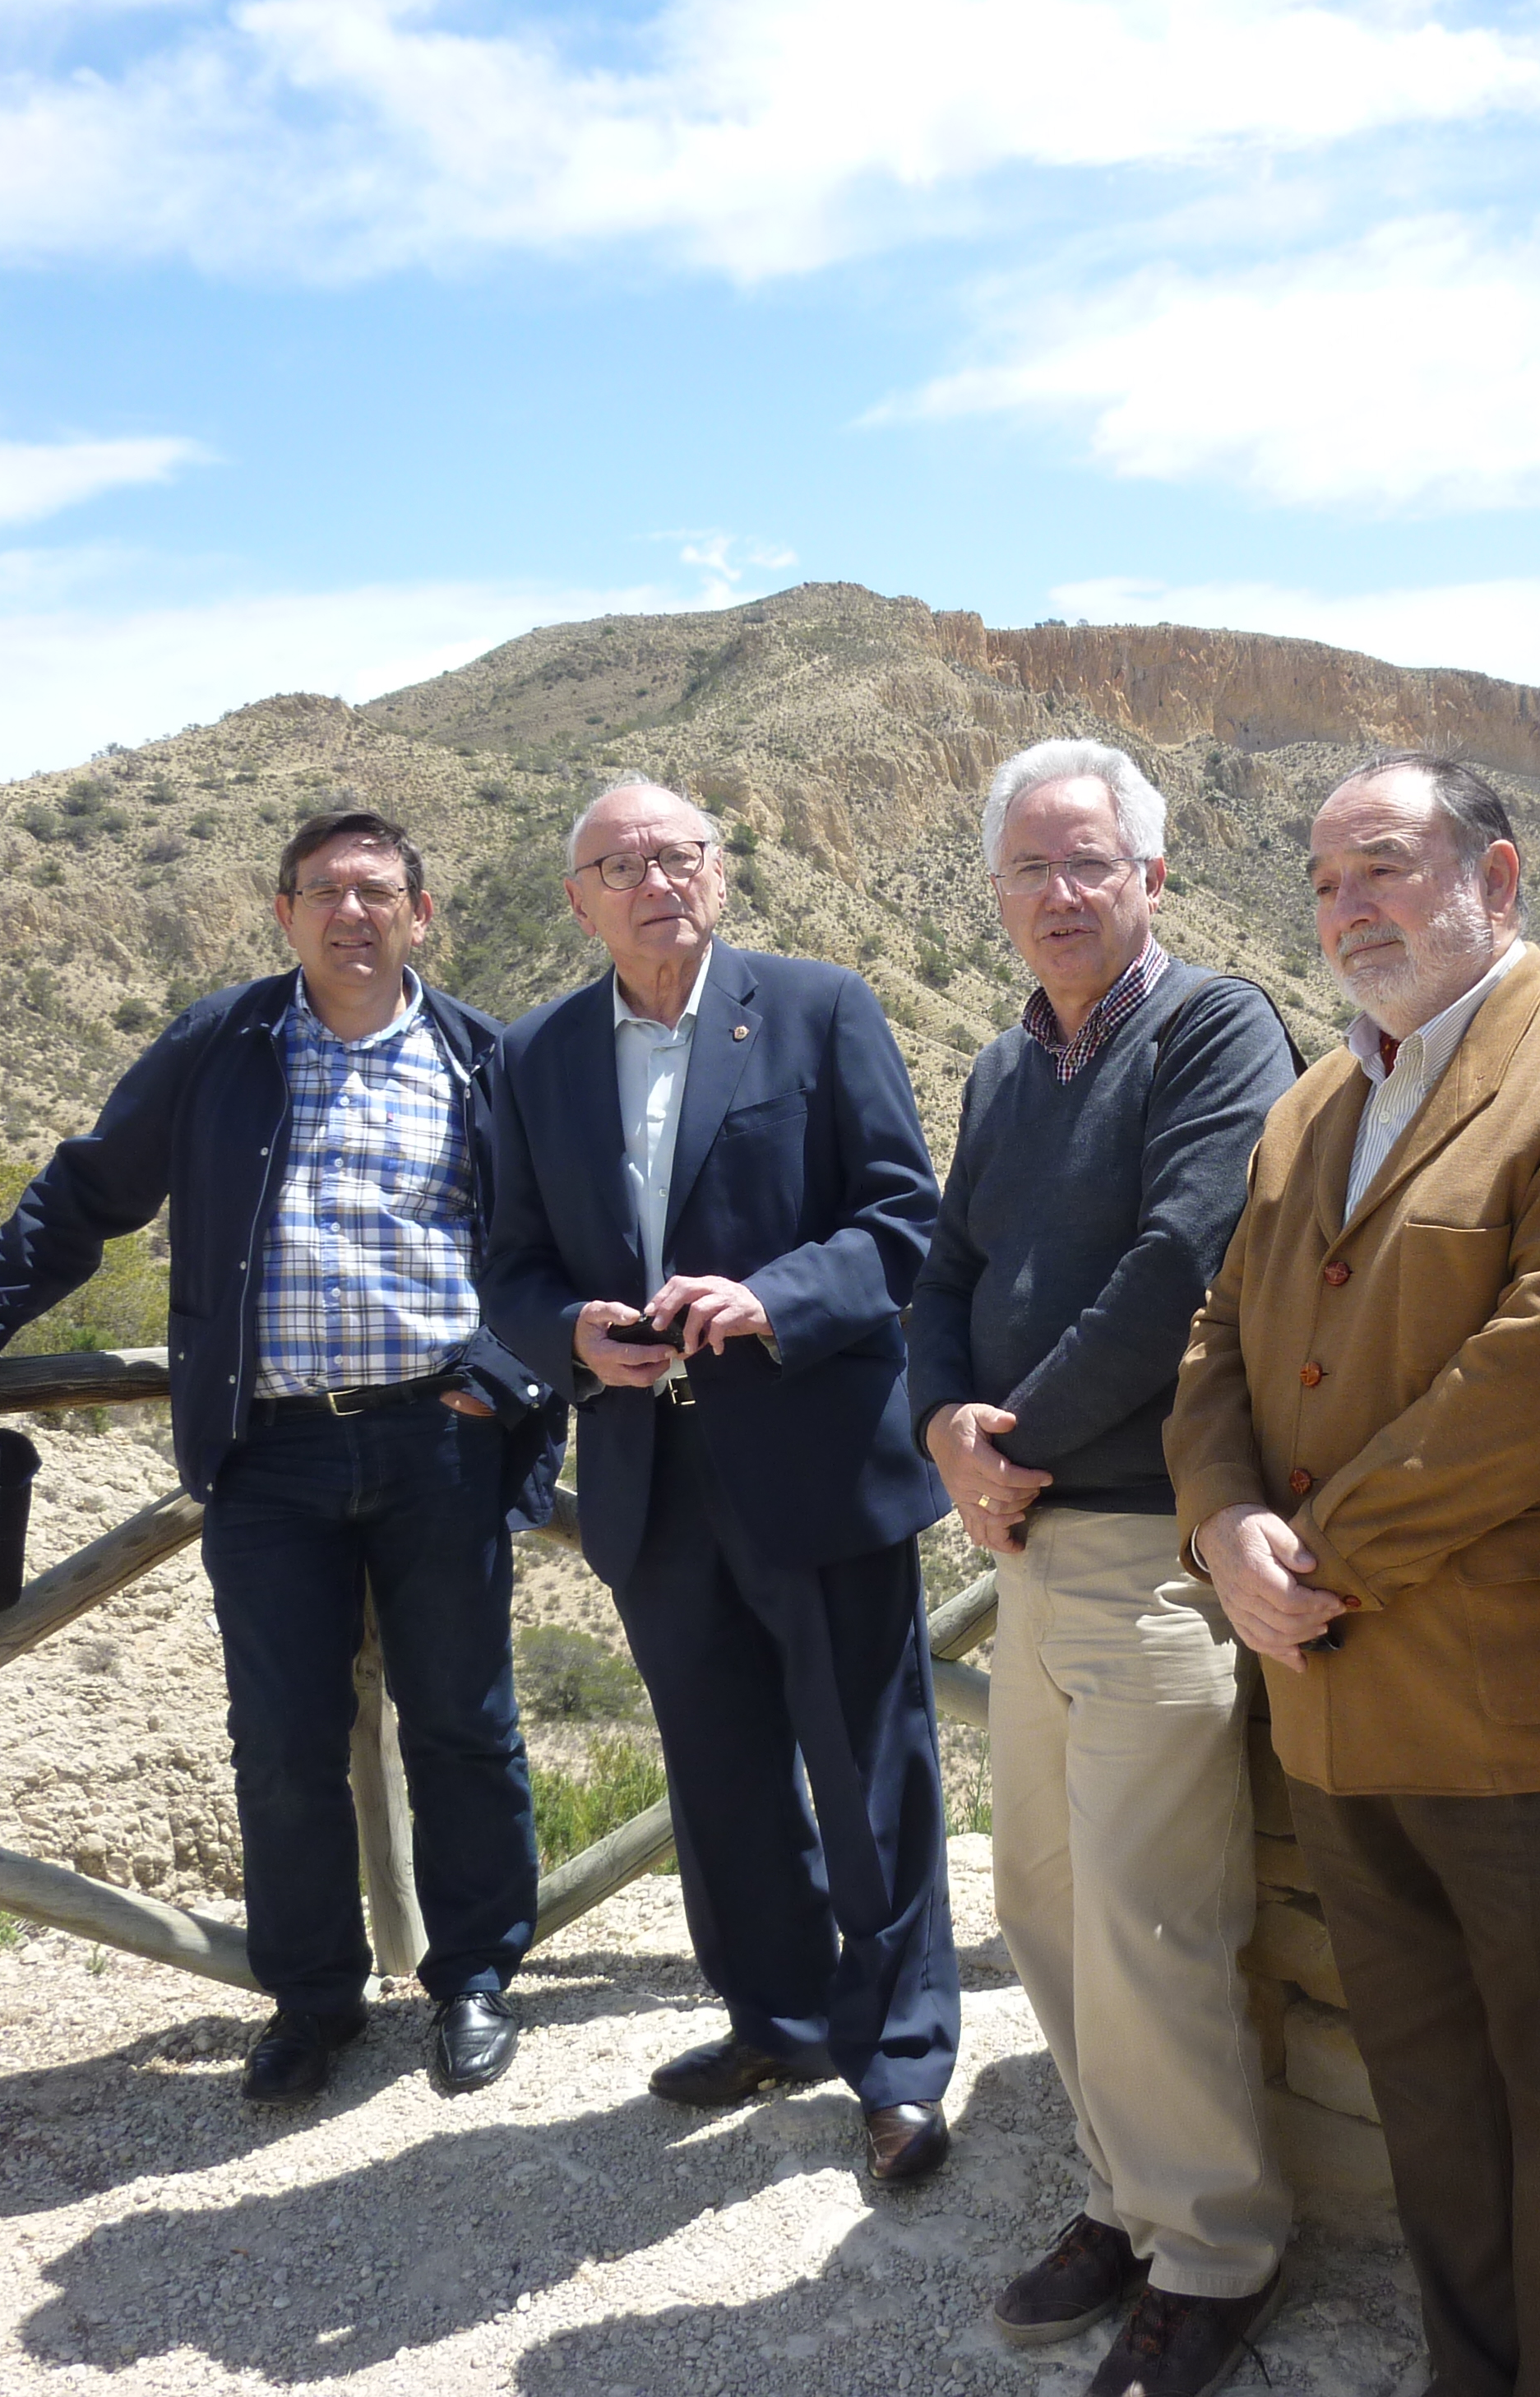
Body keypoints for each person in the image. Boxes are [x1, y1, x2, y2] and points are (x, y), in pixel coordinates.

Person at [0, 810, 567, 2107]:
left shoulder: (483, 1059)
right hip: (268, 1454)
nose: (352, 914)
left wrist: (507, 1382)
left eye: (378, 892)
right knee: (281, 1740)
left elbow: (550, 1244)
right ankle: (312, 2000)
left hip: (439, 1441)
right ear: (282, 913)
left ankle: (472, 1978)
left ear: (423, 913)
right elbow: (85, 1195)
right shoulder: (222, 1044)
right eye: (324, 893)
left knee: (463, 1721)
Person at [1164, 754, 1540, 2397]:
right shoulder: (1310, 1103)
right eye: (1327, 882)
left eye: (1385, 869)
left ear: (1498, 873)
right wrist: (1217, 1526)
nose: (1349, 909)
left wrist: (1311, 1556)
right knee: (1430, 2107)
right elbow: (1215, 1342)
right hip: (1342, 1705)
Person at [479, 776, 959, 2183]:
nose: (652, 881)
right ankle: (779, 2018)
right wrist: (565, 1334)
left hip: (813, 1457)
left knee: (872, 1770)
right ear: (578, 902)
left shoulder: (820, 1008)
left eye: (677, 853)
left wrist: (767, 1301)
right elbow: (505, 1265)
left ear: (722, 872)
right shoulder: (535, 1057)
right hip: (645, 1472)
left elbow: (903, 1226)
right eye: (618, 865)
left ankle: (901, 2063)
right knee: (721, 1773)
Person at [905, 739, 1301, 2392]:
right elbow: (948, 1259)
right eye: (1026, 869)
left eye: (1088, 864)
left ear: (1151, 875)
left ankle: (1215, 2254)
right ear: (994, 894)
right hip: (1031, 1538)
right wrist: (943, 1422)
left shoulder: (1215, 1028)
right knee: (1044, 1907)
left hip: (1144, 1538)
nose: (1056, 895)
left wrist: (1015, 1439)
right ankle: (1123, 2204)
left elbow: (1179, 1266)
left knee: (1152, 1915)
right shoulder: (1007, 1067)